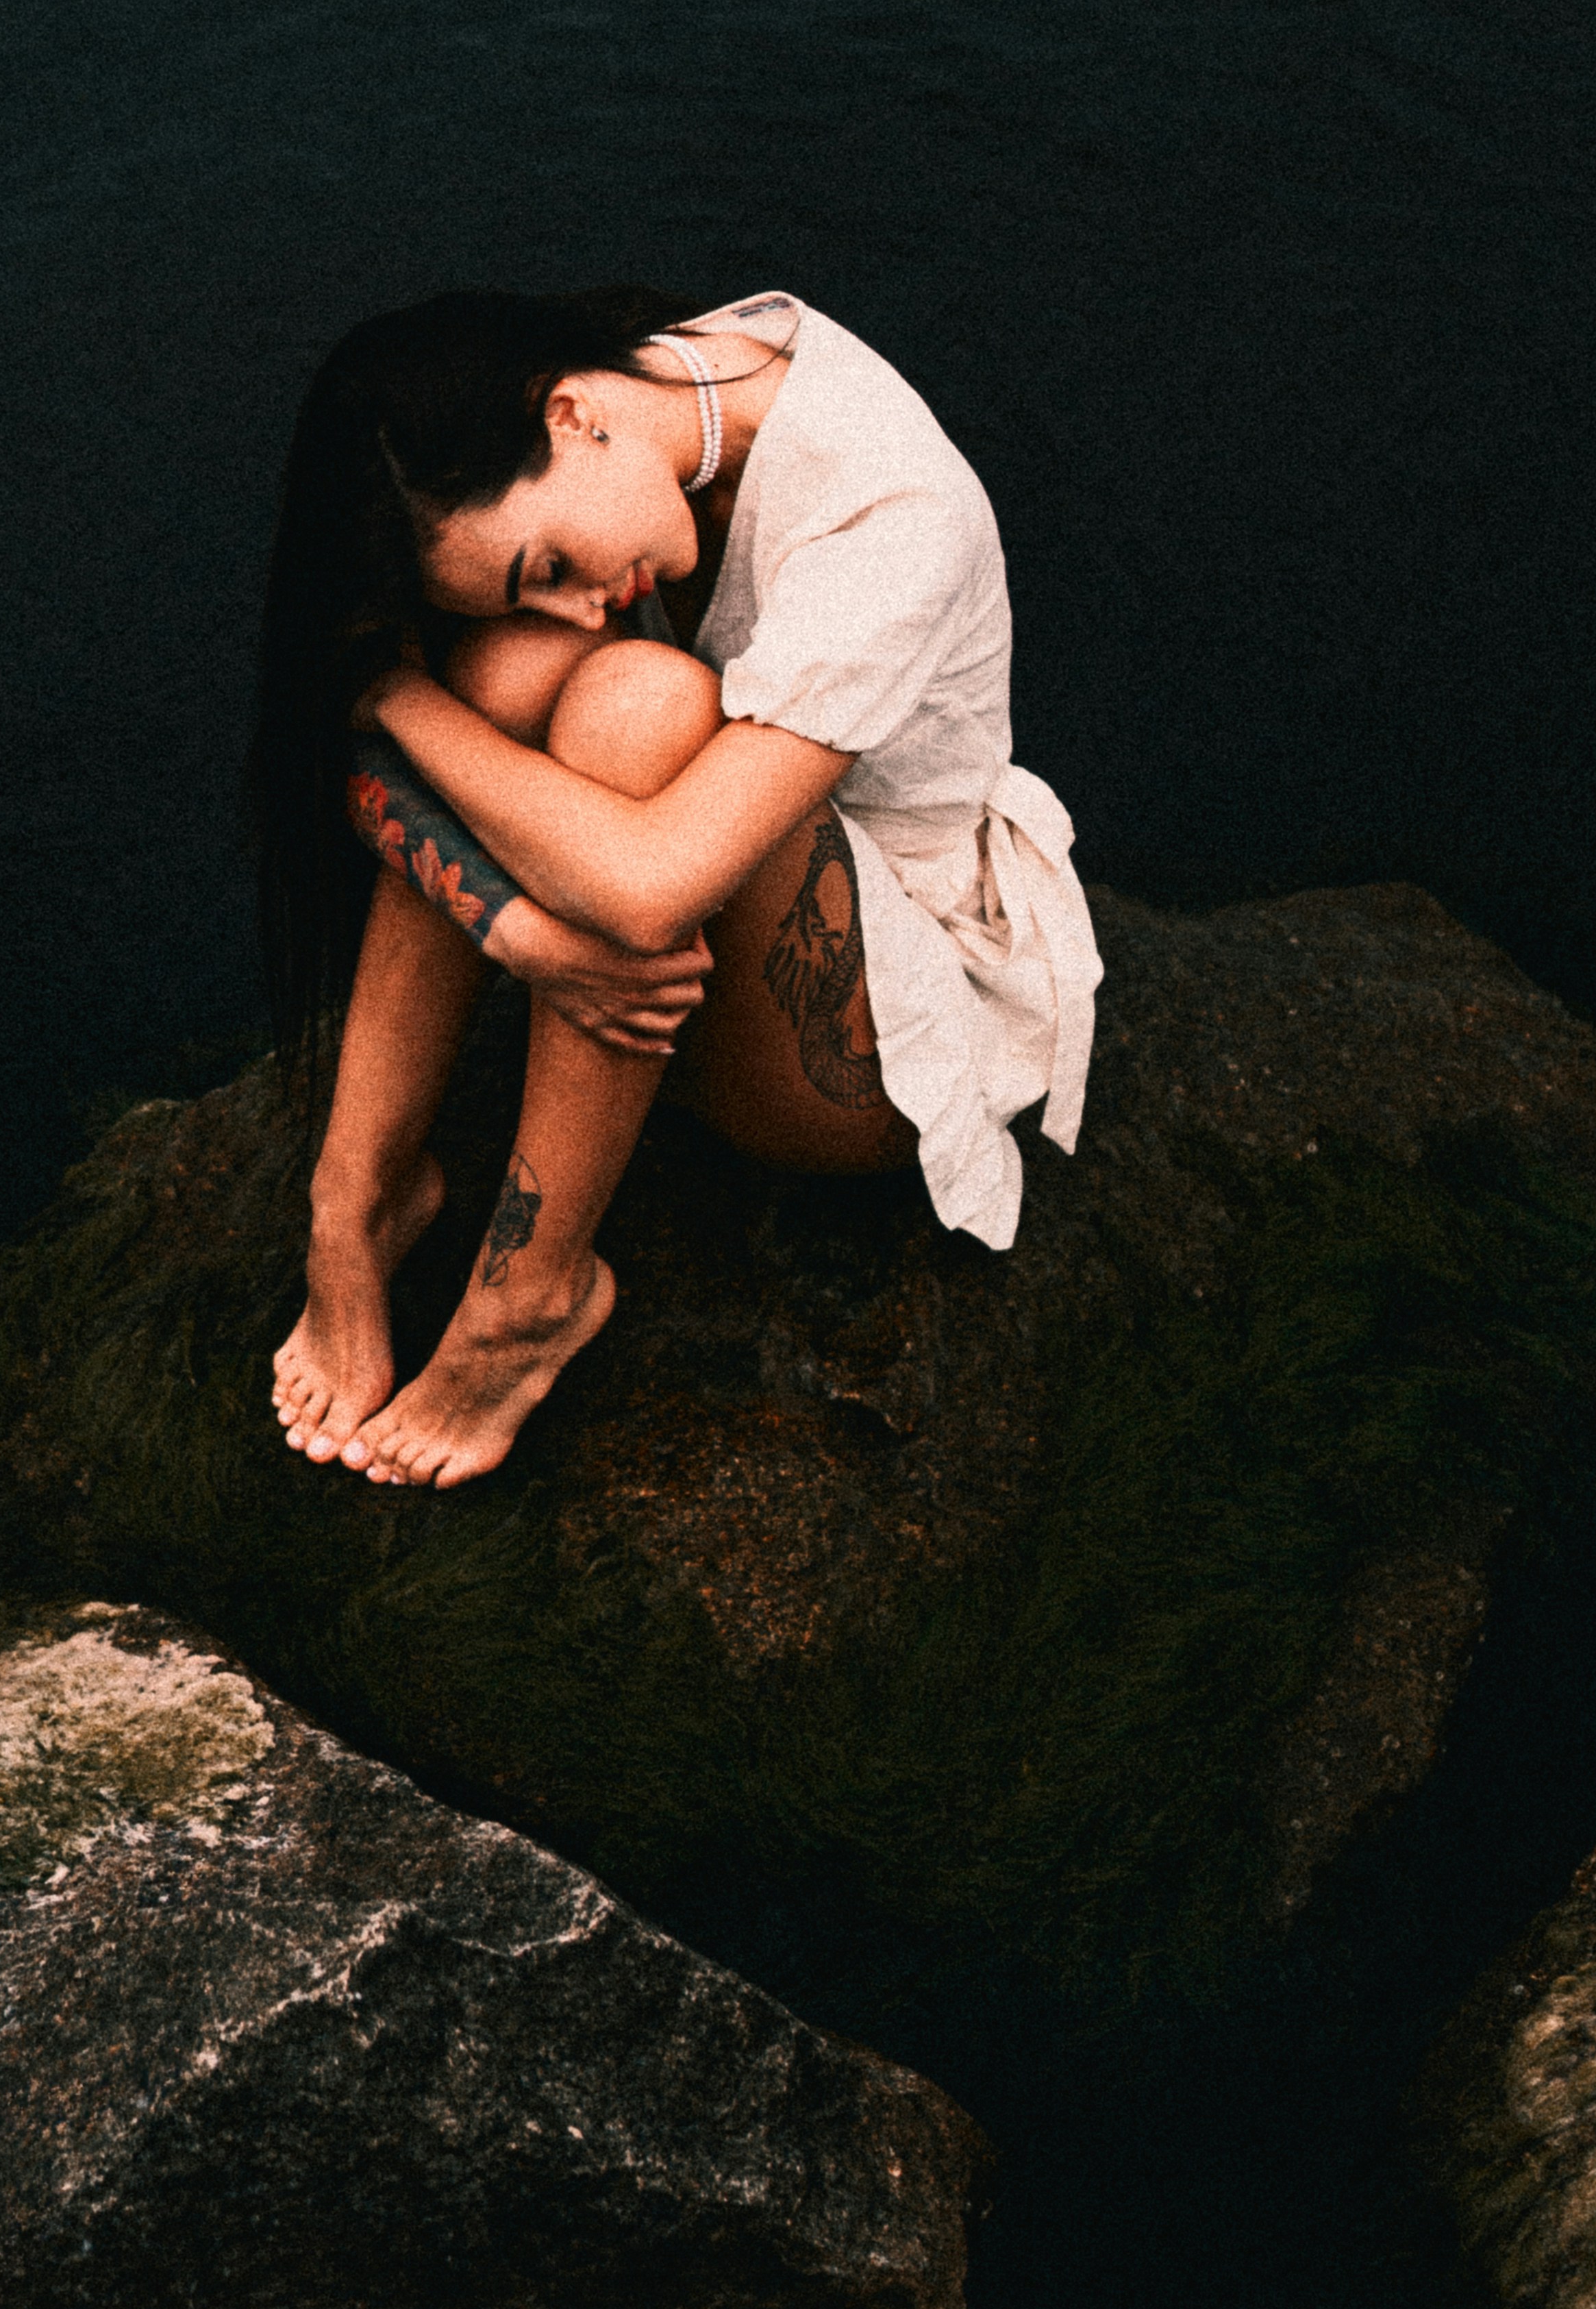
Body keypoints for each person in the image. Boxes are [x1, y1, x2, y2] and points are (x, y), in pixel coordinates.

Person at [249, 282, 1101, 1490]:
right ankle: (357, 1202)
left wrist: (391, 700)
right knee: (503, 669)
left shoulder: (893, 515)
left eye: (547, 563)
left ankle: (528, 1302)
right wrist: (528, 936)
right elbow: (376, 785)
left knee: (628, 702)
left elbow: (651, 894)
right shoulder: (649, 397)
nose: (576, 602)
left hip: (860, 1047)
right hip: (650, 979)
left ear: (571, 416)